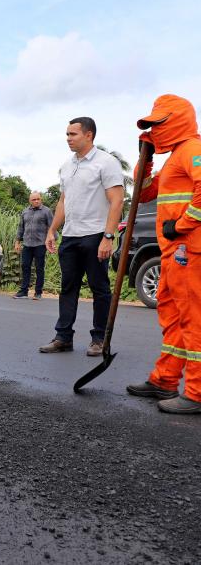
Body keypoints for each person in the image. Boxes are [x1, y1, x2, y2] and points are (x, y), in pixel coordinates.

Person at [125, 94, 201, 414]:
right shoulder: (174, 157)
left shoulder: (193, 149)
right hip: (172, 252)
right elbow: (143, 194)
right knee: (172, 318)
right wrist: (146, 157)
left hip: (190, 249)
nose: (155, 130)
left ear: (177, 120)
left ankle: (196, 393)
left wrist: (182, 224)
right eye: (151, 126)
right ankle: (165, 379)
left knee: (193, 319)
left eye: (159, 124)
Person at [40, 117, 125, 357]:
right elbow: (64, 201)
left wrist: (108, 236)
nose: (68, 138)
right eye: (67, 134)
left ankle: (99, 339)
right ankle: (63, 337)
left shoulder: (106, 163)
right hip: (70, 236)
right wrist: (52, 229)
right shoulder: (67, 166)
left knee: (100, 288)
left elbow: (116, 201)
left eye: (73, 134)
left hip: (96, 234)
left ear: (89, 135)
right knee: (68, 288)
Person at [13, 192, 54, 300]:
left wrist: (51, 241)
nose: (36, 201)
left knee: (39, 268)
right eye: (34, 199)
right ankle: (23, 292)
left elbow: (52, 227)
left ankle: (38, 293)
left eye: (38, 199)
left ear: (41, 199)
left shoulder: (46, 211)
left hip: (40, 244)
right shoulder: (25, 211)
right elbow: (21, 227)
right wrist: (17, 241)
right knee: (25, 266)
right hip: (27, 244)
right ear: (30, 201)